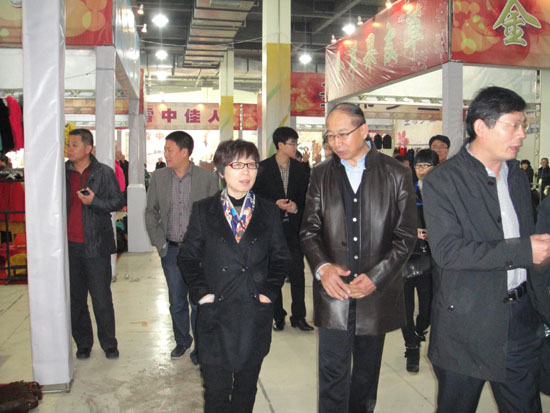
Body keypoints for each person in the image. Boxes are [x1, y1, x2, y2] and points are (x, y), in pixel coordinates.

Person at [422, 86, 550, 412]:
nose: (522, 134)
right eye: (513, 125)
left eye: (524, 125)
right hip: (467, 324)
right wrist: (524, 251)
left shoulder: (516, 176)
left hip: (520, 321)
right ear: (481, 126)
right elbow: (448, 252)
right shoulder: (443, 181)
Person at [300, 103, 417, 412]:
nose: (336, 142)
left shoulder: (396, 173)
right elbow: (309, 231)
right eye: (330, 136)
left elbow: (405, 237)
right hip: (333, 291)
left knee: (365, 375)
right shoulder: (321, 174)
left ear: (364, 130)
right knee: (331, 374)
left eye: (343, 134)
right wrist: (323, 268)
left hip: (374, 294)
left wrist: (376, 277)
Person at [178, 140, 290, 413]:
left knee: (246, 389)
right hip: (216, 313)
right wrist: (202, 293)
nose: (246, 171)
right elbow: (188, 257)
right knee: (216, 392)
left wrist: (269, 293)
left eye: (251, 164)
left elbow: (281, 258)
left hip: (254, 312)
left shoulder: (268, 211)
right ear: (220, 170)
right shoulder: (204, 210)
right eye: (237, 164)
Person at [145, 131, 218, 363]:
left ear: (184, 152)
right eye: (165, 150)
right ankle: (182, 341)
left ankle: (200, 348)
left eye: (170, 150)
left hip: (199, 253)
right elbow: (151, 211)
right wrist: (160, 243)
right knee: (176, 301)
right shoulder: (158, 177)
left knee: (198, 300)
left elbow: (215, 215)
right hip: (172, 250)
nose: (165, 154)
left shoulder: (207, 178)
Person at [65, 128, 125, 360]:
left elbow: (118, 201)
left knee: (101, 298)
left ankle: (109, 344)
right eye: (68, 145)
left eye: (74, 145)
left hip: (96, 245)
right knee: (76, 299)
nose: (69, 149)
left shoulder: (103, 173)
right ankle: (83, 343)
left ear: (88, 148)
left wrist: (94, 201)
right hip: (70, 246)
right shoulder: (63, 173)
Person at [253, 127, 313, 332]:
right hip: (271, 230)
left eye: (296, 143)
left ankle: (299, 317)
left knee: (298, 273)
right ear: (280, 145)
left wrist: (295, 207)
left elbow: (307, 198)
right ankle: (278, 315)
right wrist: (274, 205)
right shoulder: (263, 168)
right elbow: (255, 198)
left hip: (294, 229)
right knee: (274, 274)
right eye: (292, 143)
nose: (295, 147)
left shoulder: (300, 169)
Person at [401, 149, 439, 373]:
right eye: (419, 166)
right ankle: (411, 346)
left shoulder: (444, 192)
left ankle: (418, 332)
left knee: (428, 308)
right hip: (406, 256)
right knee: (405, 308)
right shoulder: (406, 191)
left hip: (432, 259)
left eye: (427, 165)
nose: (422, 170)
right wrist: (412, 232)